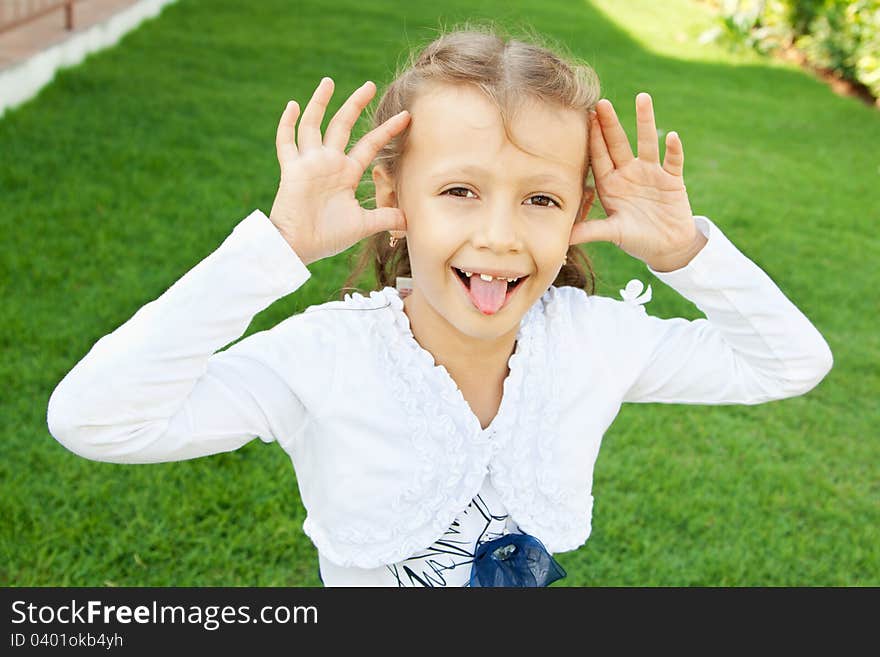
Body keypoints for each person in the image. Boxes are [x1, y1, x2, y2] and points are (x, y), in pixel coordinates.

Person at [46, 25, 833, 587]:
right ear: (392, 193)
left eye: (540, 198)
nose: (498, 235)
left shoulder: (596, 342)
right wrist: (274, 250)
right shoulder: (324, 358)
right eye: (458, 191)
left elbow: (790, 363)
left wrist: (684, 253)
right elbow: (96, 418)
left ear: (578, 209)